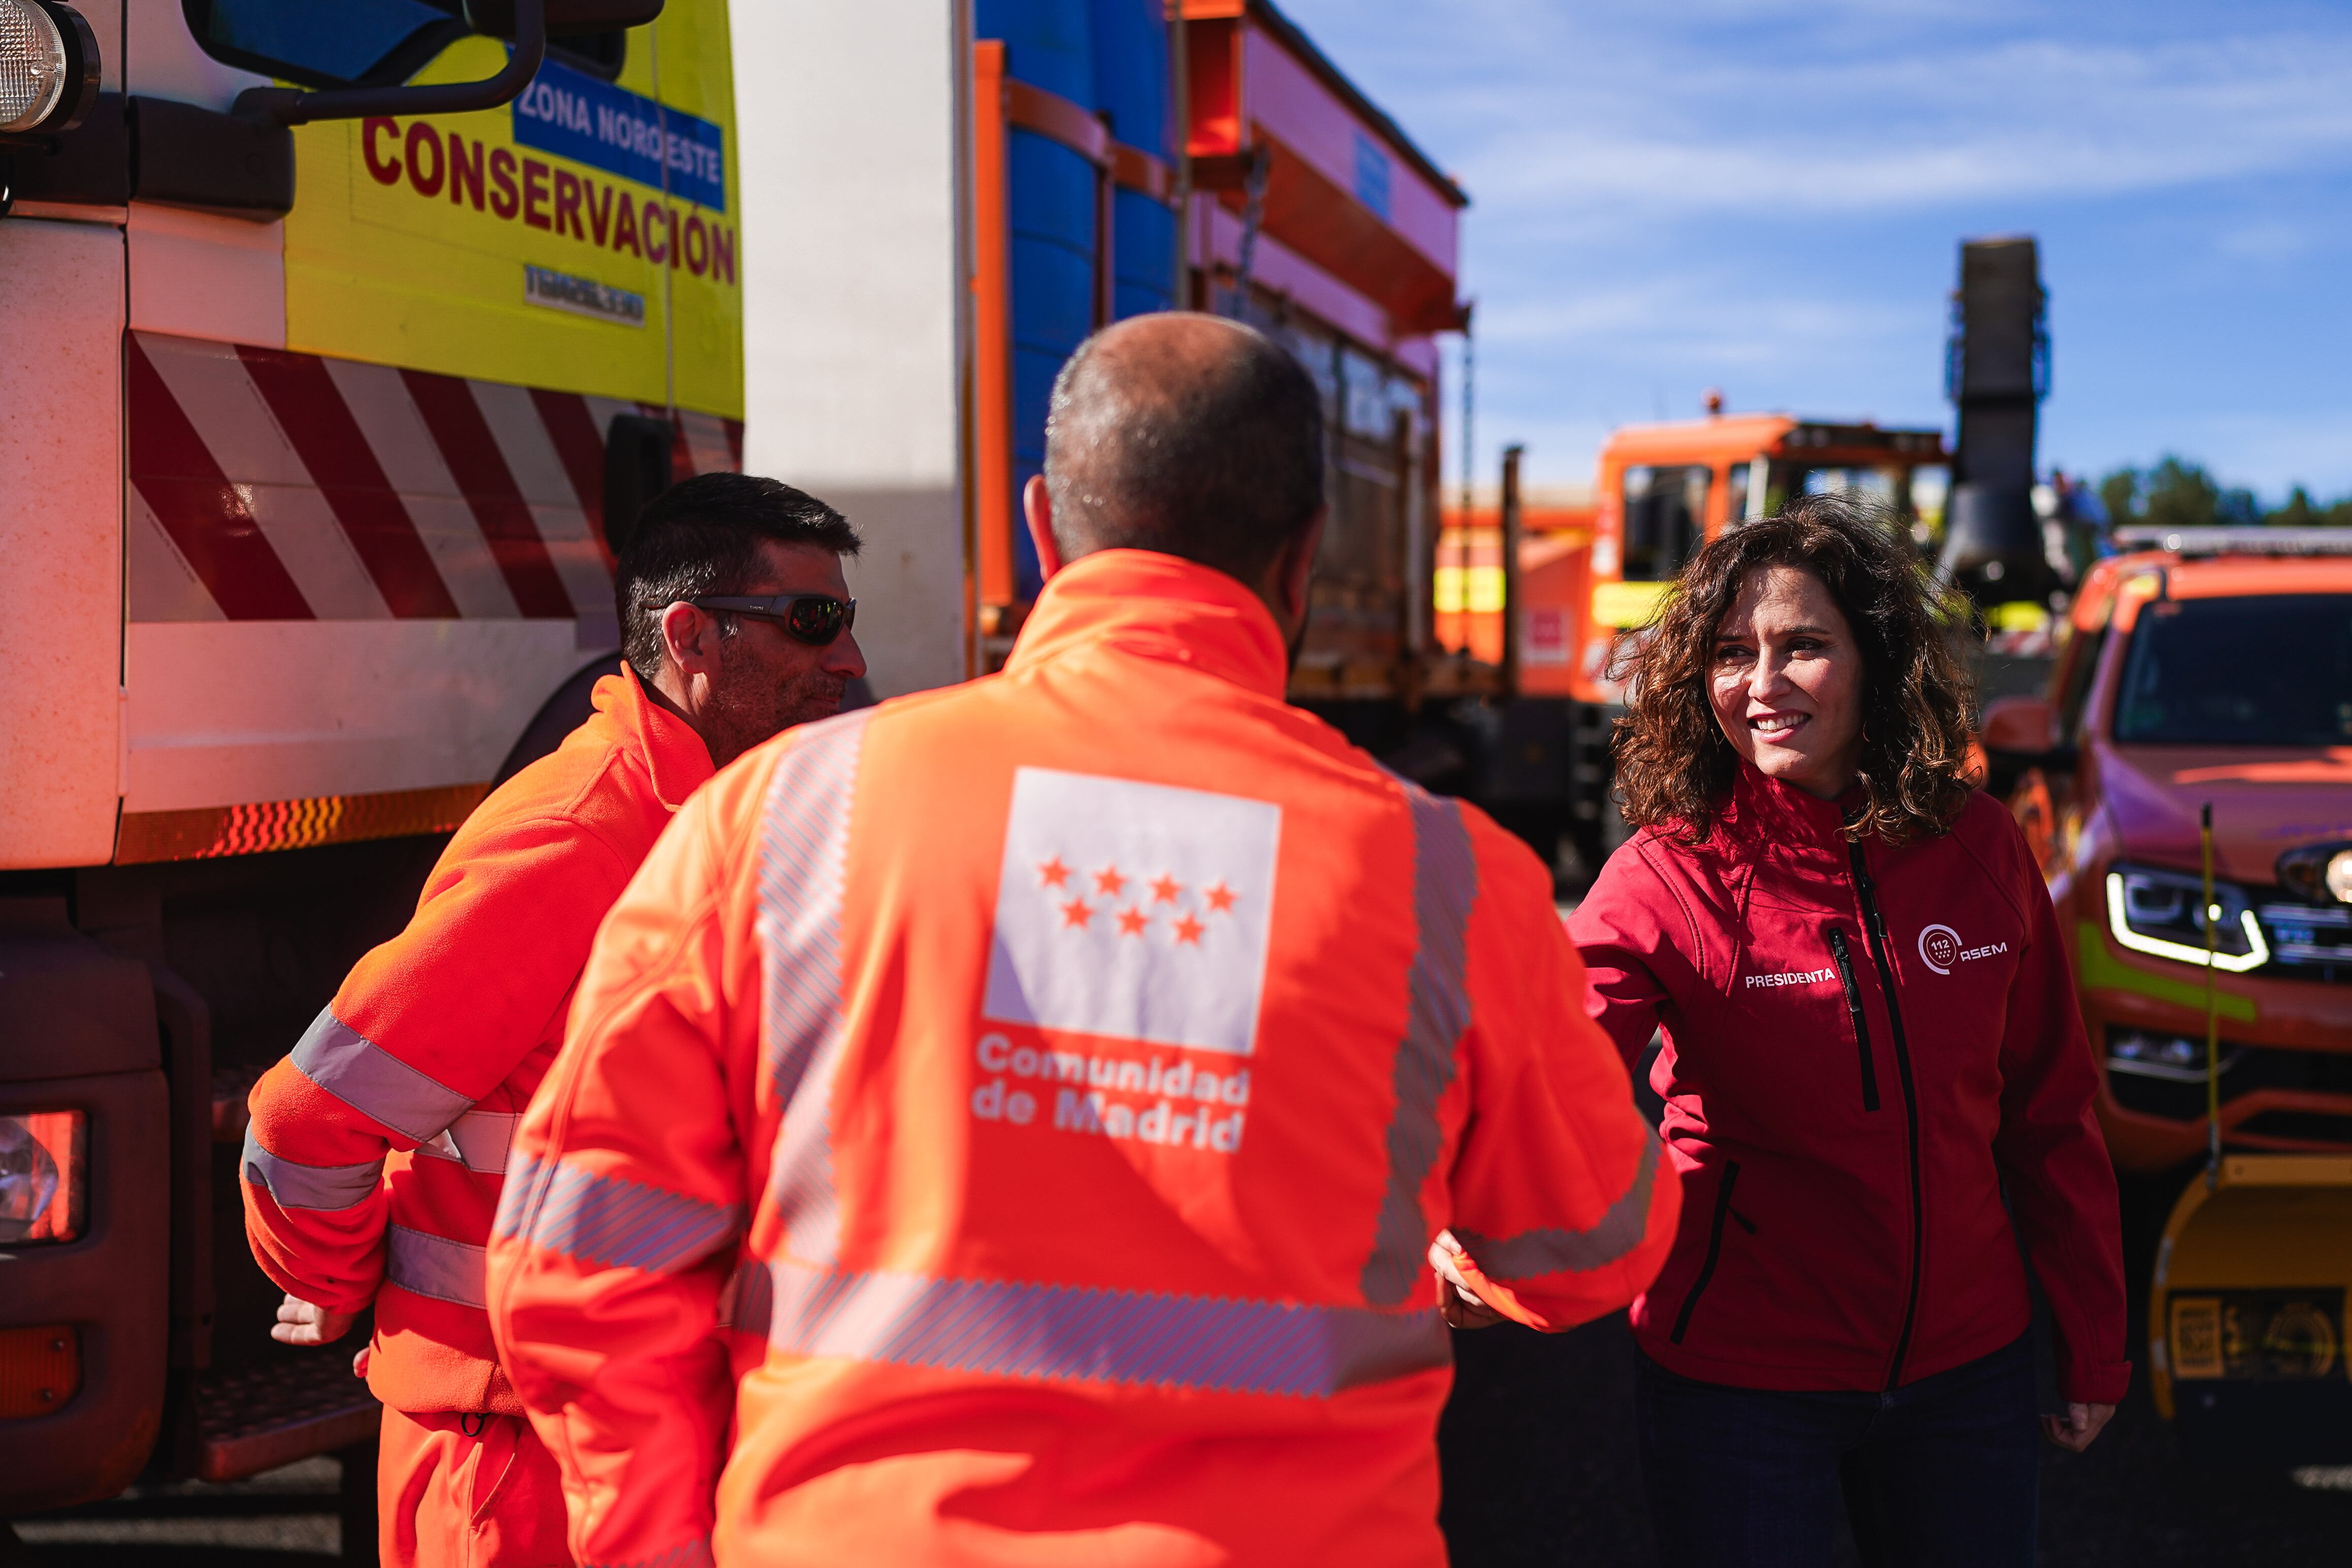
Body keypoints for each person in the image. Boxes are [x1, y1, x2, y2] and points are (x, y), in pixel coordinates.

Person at [484, 312, 1678, 1567]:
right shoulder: (1451, 878)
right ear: (1305, 554)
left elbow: (580, 1258)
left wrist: (662, 1543)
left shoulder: (777, 817)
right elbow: (1593, 1244)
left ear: (1044, 524)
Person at [241, 472, 866, 1566]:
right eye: (811, 622)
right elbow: (305, 1118)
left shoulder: (707, 820)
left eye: (845, 621)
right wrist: (334, 1286)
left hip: (621, 1443)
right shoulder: (579, 840)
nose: (848, 658)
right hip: (514, 1469)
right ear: (691, 637)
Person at [1568, 494, 2128, 1566]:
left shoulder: (1977, 844)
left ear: (1873, 657)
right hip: (1740, 1382)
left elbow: (2051, 1108)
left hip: (1967, 1372)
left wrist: (2090, 1336)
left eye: (1802, 646)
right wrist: (1472, 1225)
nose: (1762, 684)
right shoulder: (1665, 874)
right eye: (1731, 653)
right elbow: (1551, 1069)